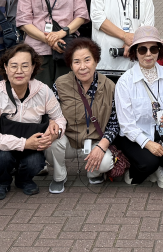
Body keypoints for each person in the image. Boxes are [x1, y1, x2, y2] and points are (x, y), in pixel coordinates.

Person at [0, 43, 65, 200]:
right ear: (5, 67)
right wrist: (25, 144)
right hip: (1, 149)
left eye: (25, 66)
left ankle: (24, 180)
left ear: (33, 67)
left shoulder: (43, 91)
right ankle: (2, 182)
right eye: (14, 66)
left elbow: (59, 118)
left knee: (35, 162)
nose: (19, 71)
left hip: (32, 148)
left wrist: (55, 132)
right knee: (2, 159)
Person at [113, 25, 163, 188]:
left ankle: (160, 167)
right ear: (135, 52)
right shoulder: (125, 81)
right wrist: (148, 144)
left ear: (159, 51)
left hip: (158, 129)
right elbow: (126, 125)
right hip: (133, 134)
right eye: (142, 49)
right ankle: (141, 168)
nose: (148, 54)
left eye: (153, 49)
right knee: (148, 163)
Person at [48, 39, 119, 191]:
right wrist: (52, 124)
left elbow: (114, 123)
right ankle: (59, 176)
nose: (82, 67)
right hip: (68, 140)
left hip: (94, 141)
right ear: (71, 65)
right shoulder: (60, 84)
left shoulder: (110, 87)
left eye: (87, 60)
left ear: (96, 61)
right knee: (51, 143)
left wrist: (102, 146)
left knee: (106, 162)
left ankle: (93, 173)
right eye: (77, 62)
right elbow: (51, 114)